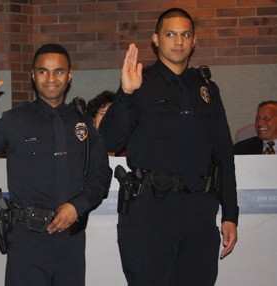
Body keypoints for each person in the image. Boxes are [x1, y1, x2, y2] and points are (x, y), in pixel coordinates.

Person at [98, 8, 239, 286]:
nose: (178, 41)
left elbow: (224, 153)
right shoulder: (139, 82)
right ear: (156, 39)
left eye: (185, 34)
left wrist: (230, 214)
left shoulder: (207, 88)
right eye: (170, 34)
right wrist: (125, 94)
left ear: (194, 41)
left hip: (200, 210)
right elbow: (110, 141)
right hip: (151, 211)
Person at [0, 44, 112, 286]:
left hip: (71, 239)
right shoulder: (14, 120)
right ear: (33, 75)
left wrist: (77, 206)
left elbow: (100, 174)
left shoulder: (83, 122)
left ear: (69, 75)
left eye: (58, 71)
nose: (51, 78)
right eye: (43, 71)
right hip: (27, 240)